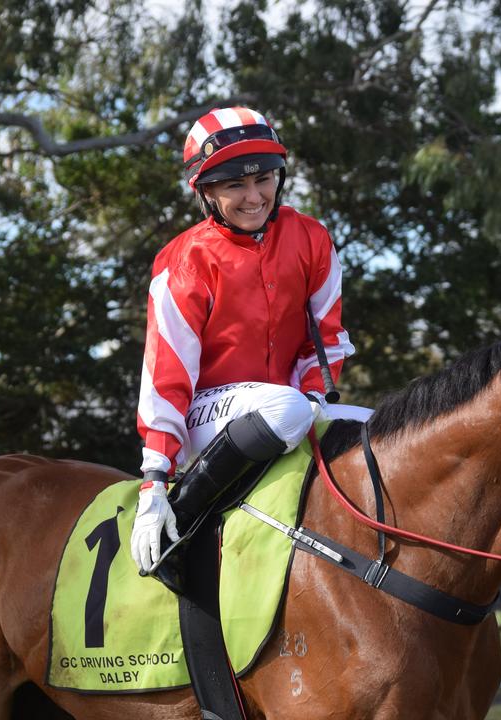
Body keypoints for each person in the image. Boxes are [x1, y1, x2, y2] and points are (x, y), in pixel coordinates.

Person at [129, 106, 355, 593]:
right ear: (205, 191)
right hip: (202, 419)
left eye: (264, 180)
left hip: (288, 408)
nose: (254, 197)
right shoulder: (184, 261)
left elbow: (328, 342)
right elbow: (166, 379)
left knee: (380, 427)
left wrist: (317, 398)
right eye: (235, 185)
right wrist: (155, 480)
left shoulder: (311, 238)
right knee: (287, 406)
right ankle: (182, 523)